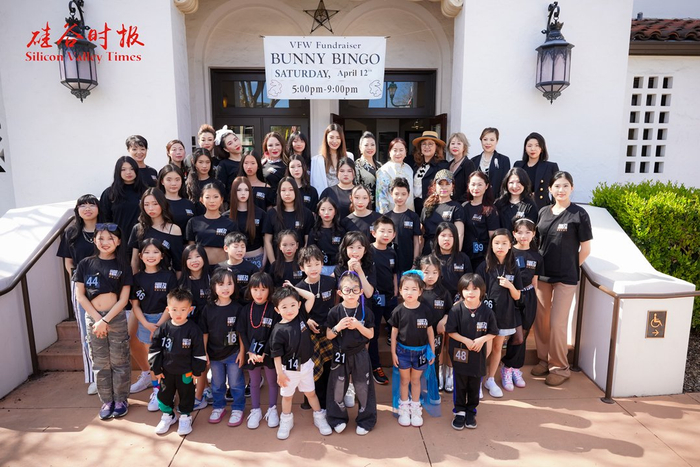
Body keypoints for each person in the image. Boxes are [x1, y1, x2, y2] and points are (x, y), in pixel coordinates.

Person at [533, 171, 592, 386]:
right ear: (550, 189)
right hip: (543, 274)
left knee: (557, 323)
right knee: (541, 320)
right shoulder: (543, 212)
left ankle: (560, 367)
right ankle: (543, 359)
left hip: (566, 277)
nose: (561, 190)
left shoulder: (579, 214)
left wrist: (570, 266)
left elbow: (586, 249)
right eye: (557, 186)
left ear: (572, 188)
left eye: (565, 185)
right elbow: (537, 242)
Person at [74, 223, 133, 420]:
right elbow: (80, 296)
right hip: (93, 318)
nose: (105, 242)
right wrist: (98, 320)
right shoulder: (85, 264)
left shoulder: (123, 265)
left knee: (119, 360)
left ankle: (121, 400)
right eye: (101, 238)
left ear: (118, 241)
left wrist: (106, 320)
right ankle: (107, 400)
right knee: (100, 362)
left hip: (115, 318)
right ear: (94, 240)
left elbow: (123, 299)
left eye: (110, 238)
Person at [270, 285, 333, 440]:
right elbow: (276, 355)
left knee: (311, 393)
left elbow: (311, 296)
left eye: (293, 305)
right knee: (287, 397)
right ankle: (286, 421)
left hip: (306, 366)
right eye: (284, 307)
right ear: (277, 310)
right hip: (288, 371)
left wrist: (293, 288)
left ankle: (319, 417)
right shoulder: (278, 330)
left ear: (299, 305)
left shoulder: (301, 316)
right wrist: (280, 374)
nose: (289, 310)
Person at [57, 194, 100, 395]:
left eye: (92, 204)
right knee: (86, 333)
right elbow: (68, 262)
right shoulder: (72, 232)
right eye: (83, 205)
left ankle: (112, 375)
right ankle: (94, 377)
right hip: (82, 287)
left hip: (107, 286)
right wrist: (78, 281)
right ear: (77, 210)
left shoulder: (107, 230)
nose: (87, 208)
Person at [150, 288, 207, 436]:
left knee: (187, 395)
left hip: (186, 372)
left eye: (183, 309)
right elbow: (154, 349)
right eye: (174, 309)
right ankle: (168, 415)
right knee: (164, 395)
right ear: (168, 309)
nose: (178, 313)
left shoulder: (193, 330)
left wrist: (197, 371)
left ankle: (185, 417)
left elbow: (199, 352)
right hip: (166, 372)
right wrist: (156, 369)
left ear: (190, 310)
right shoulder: (163, 329)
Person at [325, 271, 377, 435]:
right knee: (338, 385)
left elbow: (371, 334)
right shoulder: (335, 312)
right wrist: (338, 327)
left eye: (355, 290)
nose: (351, 293)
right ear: (340, 292)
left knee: (363, 385)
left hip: (360, 353)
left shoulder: (365, 311)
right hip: (340, 353)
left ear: (361, 292)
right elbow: (329, 335)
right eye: (347, 290)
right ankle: (337, 418)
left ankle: (366, 419)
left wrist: (358, 326)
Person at [130, 238, 178, 411]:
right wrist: (147, 324)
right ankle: (157, 391)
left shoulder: (169, 276)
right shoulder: (137, 278)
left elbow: (171, 304)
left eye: (156, 252)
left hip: (166, 320)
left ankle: (169, 391)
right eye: (147, 252)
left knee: (169, 357)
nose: (151, 256)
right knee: (153, 359)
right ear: (140, 256)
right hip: (145, 321)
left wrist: (158, 324)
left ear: (162, 255)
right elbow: (135, 305)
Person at [446, 273, 498, 430]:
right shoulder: (456, 310)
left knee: (474, 385)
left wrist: (482, 340)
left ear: (481, 290)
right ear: (461, 291)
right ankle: (459, 411)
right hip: (460, 355)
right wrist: (466, 341)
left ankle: (471, 411)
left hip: (477, 356)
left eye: (474, 289)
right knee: (460, 383)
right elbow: (451, 332)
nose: (470, 292)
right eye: (466, 289)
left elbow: (493, 332)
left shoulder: (487, 311)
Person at [476, 229, 523, 398]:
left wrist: (510, 286)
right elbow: (476, 292)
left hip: (505, 314)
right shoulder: (484, 266)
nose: (500, 246)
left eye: (504, 243)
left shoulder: (513, 267)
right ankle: (477, 381)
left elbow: (517, 296)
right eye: (496, 243)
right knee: (485, 349)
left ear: (510, 245)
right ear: (491, 245)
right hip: (487, 315)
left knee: (497, 348)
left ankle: (490, 379)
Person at [389, 270, 437, 427]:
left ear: (420, 291)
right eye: (406, 289)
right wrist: (393, 352)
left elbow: (430, 331)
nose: (409, 292)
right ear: (400, 290)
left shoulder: (425, 310)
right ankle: (404, 408)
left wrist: (432, 350)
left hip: (421, 353)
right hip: (402, 352)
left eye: (414, 289)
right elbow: (394, 332)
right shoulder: (398, 311)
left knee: (416, 381)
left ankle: (415, 408)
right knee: (404, 380)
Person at [199, 268, 247, 427]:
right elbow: (205, 332)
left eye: (229, 283)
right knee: (217, 383)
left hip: (233, 353)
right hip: (214, 355)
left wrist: (242, 352)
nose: (225, 288)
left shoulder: (238, 308)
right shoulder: (208, 308)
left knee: (236, 383)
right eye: (221, 284)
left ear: (235, 286)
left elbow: (241, 333)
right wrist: (204, 352)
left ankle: (238, 408)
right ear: (213, 287)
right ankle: (218, 407)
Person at [501, 218, 543, 390]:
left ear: (533, 234)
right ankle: (506, 367)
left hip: (529, 296)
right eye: (520, 232)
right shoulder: (508, 253)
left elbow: (535, 281)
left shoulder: (537, 256)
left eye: (527, 232)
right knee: (517, 336)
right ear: (514, 234)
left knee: (523, 336)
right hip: (511, 296)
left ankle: (515, 369)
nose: (523, 236)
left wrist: (534, 301)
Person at [296, 245, 337, 411]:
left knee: (329, 366)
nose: (313, 268)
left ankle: (328, 401)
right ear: (301, 267)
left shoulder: (331, 281)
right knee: (312, 368)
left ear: (322, 264)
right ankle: (312, 401)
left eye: (317, 264)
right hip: (310, 335)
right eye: (309, 265)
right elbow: (296, 313)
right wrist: (307, 321)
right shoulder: (299, 287)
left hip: (328, 331)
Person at [240, 272, 280, 430]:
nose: (259, 293)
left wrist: (265, 351)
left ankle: (272, 409)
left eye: (263, 289)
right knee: (254, 382)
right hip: (252, 354)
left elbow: (276, 332)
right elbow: (242, 332)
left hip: (269, 353)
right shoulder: (245, 310)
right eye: (255, 289)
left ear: (270, 290)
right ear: (250, 289)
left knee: (272, 381)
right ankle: (255, 410)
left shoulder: (274, 309)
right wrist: (249, 352)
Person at [368, 216, 397, 385]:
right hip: (374, 299)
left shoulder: (393, 252)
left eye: (389, 231)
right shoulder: (368, 251)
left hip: (391, 297)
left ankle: (402, 363)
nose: (386, 234)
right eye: (382, 231)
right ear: (373, 233)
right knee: (374, 333)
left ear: (394, 235)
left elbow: (394, 273)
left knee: (398, 327)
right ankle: (375, 366)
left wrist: (396, 289)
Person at [128, 188, 183, 273]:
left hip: (166, 277)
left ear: (162, 204)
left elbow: (178, 264)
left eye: (155, 204)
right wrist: (134, 279)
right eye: (146, 204)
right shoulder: (138, 228)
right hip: (143, 277)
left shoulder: (174, 230)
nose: (150, 208)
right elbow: (135, 260)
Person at [419, 254, 453, 392]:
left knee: (435, 357)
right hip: (419, 333)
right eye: (426, 272)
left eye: (434, 272)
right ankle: (419, 387)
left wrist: (443, 321)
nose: (430, 276)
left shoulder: (443, 292)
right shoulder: (417, 291)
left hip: (436, 333)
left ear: (439, 273)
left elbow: (450, 310)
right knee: (420, 359)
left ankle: (435, 383)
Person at [262, 177, 315, 264]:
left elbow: (307, 241)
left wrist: (302, 262)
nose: (287, 193)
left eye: (291, 190)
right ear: (279, 192)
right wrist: (273, 263)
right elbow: (267, 241)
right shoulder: (272, 213)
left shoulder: (306, 213)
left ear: (296, 191)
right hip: (278, 262)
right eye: (283, 190)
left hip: (300, 263)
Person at [185, 183, 237, 266]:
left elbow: (234, 248)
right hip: (200, 267)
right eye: (207, 197)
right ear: (201, 200)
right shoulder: (193, 222)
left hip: (223, 268)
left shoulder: (230, 223)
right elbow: (191, 248)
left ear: (221, 200)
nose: (212, 201)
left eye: (216, 197)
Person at [100, 156, 148, 237]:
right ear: (118, 171)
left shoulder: (146, 192)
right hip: (118, 239)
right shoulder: (110, 193)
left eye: (132, 169)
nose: (128, 172)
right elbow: (104, 219)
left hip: (142, 237)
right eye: (123, 169)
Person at [420, 169, 465, 255]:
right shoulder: (427, 207)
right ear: (434, 186)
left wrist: (456, 255)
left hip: (447, 253)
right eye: (440, 184)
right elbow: (421, 236)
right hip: (428, 254)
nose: (444, 187)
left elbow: (459, 235)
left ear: (452, 186)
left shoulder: (456, 208)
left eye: (447, 184)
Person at [462, 171, 499, 271]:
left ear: (486, 186)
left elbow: (493, 236)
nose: (476, 188)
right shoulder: (464, 207)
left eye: (479, 184)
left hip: (482, 257)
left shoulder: (490, 209)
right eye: (473, 184)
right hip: (466, 255)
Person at [514, 132, 560, 211]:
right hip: (520, 206)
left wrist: (556, 209)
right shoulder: (518, 165)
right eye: (529, 146)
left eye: (537, 145)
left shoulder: (550, 166)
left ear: (542, 148)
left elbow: (556, 190)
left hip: (542, 207)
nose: (533, 149)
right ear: (525, 148)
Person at [227, 177, 267, 269]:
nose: (243, 193)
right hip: (234, 262)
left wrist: (263, 262)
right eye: (239, 190)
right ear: (233, 192)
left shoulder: (260, 214)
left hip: (257, 259)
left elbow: (266, 241)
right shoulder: (226, 216)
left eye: (246, 190)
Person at [386, 178, 421, 276]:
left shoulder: (413, 217)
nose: (400, 197)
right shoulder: (386, 217)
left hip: (408, 264)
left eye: (403, 194)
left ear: (408, 194)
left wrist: (415, 263)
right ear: (391, 194)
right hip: (390, 264)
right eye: (396, 194)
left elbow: (416, 242)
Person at [411, 130, 448, 217]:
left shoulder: (442, 166)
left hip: (432, 208)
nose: (427, 147)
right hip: (414, 207)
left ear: (436, 147)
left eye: (430, 144)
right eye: (424, 144)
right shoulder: (416, 166)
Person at [216, 232, 259, 305]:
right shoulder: (219, 267)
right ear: (226, 248)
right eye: (236, 247)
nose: (240, 250)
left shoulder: (252, 268)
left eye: (243, 247)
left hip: (245, 306)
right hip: (226, 306)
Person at [308, 197, 347, 276]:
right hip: (320, 268)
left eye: (330, 209)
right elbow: (310, 251)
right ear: (318, 212)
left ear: (335, 211)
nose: (326, 213)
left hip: (337, 267)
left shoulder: (341, 231)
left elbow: (344, 252)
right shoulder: (314, 231)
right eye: (323, 209)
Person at [433, 222, 472, 300]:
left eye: (451, 236)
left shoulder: (463, 258)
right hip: (437, 299)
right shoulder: (431, 259)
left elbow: (469, 281)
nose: (447, 239)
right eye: (443, 235)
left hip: (459, 300)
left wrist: (461, 299)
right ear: (437, 237)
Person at [310, 123, 354, 193]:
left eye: (338, 138)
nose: (334, 141)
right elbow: (314, 184)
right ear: (326, 138)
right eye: (331, 137)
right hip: (325, 196)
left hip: (344, 196)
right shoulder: (317, 160)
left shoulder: (349, 156)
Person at [470, 127, 511, 200]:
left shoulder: (504, 160)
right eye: (485, 139)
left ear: (496, 141)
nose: (488, 143)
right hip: (476, 200)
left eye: (492, 140)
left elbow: (505, 184)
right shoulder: (473, 161)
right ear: (481, 141)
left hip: (496, 201)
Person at [376, 138, 415, 213]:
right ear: (389, 152)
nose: (398, 153)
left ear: (405, 152)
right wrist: (384, 217)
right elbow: (381, 198)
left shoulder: (409, 168)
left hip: (409, 212)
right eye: (395, 150)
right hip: (391, 214)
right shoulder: (384, 170)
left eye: (401, 150)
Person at [186, 149, 226, 215]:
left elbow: (222, 208)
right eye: (200, 162)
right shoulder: (189, 184)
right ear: (194, 162)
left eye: (207, 162)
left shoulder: (218, 184)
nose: (204, 166)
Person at [158, 164, 195, 234]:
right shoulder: (158, 202)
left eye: (177, 179)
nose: (173, 183)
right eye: (169, 180)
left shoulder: (189, 204)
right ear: (162, 181)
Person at [214, 126, 244, 203]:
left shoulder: (247, 159)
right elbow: (221, 188)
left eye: (235, 140)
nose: (235, 144)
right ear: (226, 149)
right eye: (230, 143)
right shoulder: (223, 165)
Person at [354, 131, 382, 210]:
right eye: (366, 145)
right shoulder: (357, 165)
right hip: (364, 206)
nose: (370, 148)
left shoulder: (380, 165)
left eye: (372, 145)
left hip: (380, 206)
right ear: (360, 147)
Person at [447, 132, 476, 203]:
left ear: (464, 147)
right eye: (452, 143)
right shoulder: (448, 164)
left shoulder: (468, 164)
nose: (455, 146)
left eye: (459, 144)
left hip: (462, 204)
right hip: (448, 203)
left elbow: (470, 188)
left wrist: (459, 203)